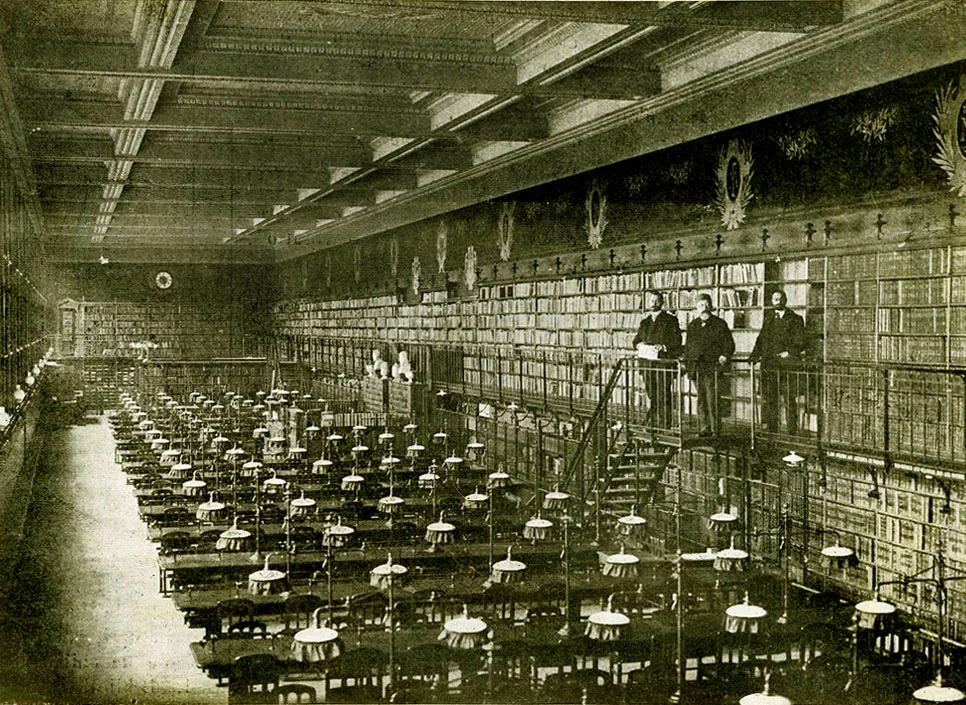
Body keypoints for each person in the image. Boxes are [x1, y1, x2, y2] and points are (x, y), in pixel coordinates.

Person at [750, 289, 806, 435]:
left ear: (785, 300)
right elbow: (761, 340)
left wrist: (789, 352)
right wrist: (754, 357)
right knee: (770, 399)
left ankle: (791, 431)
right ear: (771, 301)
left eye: (780, 299)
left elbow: (800, 342)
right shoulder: (769, 318)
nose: (778, 301)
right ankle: (772, 430)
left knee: (789, 399)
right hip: (770, 365)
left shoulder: (795, 319)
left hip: (787, 365)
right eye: (775, 299)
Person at [684, 293, 735, 437]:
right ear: (696, 308)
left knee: (713, 400)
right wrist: (688, 367)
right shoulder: (692, 325)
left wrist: (725, 355)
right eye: (700, 305)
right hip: (696, 368)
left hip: (712, 368)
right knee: (701, 400)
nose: (704, 307)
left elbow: (729, 344)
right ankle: (704, 428)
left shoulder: (719, 324)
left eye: (706, 304)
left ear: (711, 306)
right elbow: (688, 348)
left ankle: (715, 430)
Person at [632, 291, 682, 428]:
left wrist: (664, 347)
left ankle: (665, 423)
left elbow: (677, 341)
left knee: (663, 394)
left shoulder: (670, 320)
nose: (653, 303)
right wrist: (638, 344)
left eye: (656, 300)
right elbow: (636, 340)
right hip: (647, 364)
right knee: (652, 394)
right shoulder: (645, 322)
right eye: (651, 300)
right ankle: (653, 421)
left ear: (662, 303)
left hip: (663, 364)